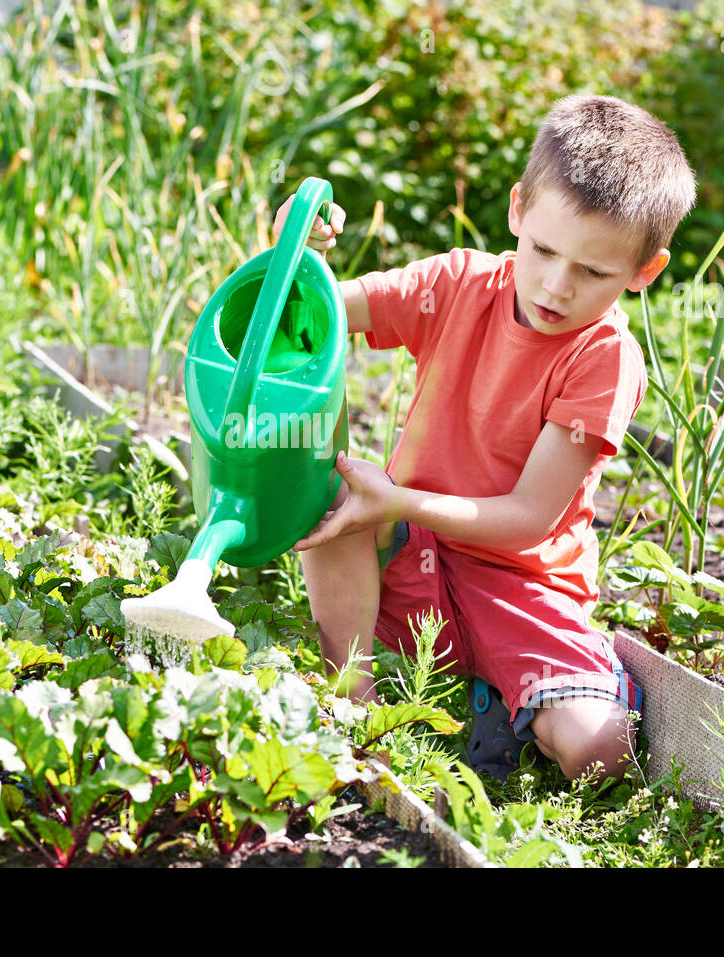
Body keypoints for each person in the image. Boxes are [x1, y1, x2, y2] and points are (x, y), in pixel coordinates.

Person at [278, 94, 697, 783]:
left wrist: (399, 501)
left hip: (521, 583)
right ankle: (354, 703)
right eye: (543, 250)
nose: (557, 286)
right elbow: (315, 310)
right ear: (517, 212)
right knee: (336, 498)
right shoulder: (456, 285)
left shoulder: (604, 356)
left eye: (594, 272)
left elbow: (530, 518)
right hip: (409, 558)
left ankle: (514, 693)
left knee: (602, 752)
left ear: (644, 273)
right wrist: (296, 254)